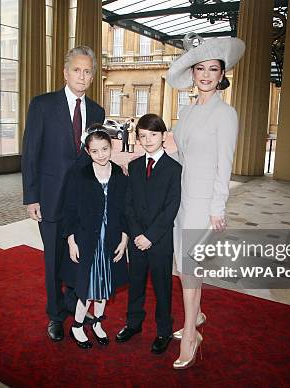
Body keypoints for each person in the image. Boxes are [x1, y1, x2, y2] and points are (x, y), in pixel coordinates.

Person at [166, 36, 245, 369]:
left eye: (213, 69)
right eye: (200, 68)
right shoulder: (186, 111)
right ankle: (195, 315)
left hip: (202, 205)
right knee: (184, 268)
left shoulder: (225, 114)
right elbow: (181, 155)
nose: (206, 75)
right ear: (193, 74)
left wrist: (218, 208)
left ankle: (189, 336)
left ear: (221, 73)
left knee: (189, 270)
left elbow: (224, 165)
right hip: (182, 200)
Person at [22, 46, 105, 342]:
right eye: (76, 70)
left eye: (87, 71)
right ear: (65, 72)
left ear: (92, 76)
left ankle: (73, 303)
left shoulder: (97, 111)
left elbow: (97, 156)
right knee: (54, 260)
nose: (81, 76)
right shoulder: (42, 105)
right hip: (50, 198)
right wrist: (31, 196)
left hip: (82, 203)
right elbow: (30, 153)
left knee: (78, 257)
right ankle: (55, 315)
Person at [116, 114, 181, 355]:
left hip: (159, 240)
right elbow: (128, 204)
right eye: (143, 135)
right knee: (136, 284)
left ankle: (164, 330)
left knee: (162, 286)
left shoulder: (174, 169)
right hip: (136, 238)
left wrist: (150, 237)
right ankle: (133, 323)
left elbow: (171, 207)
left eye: (153, 134)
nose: (148, 139)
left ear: (163, 136)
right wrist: (136, 234)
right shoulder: (133, 166)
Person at [61, 125, 129, 349]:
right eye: (95, 151)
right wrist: (71, 241)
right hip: (86, 240)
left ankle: (98, 323)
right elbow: (69, 209)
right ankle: (78, 326)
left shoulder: (119, 173)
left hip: (109, 239)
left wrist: (125, 238)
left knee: (105, 285)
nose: (101, 154)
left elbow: (125, 209)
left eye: (105, 149)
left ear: (112, 147)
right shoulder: (79, 175)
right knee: (87, 287)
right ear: (88, 152)